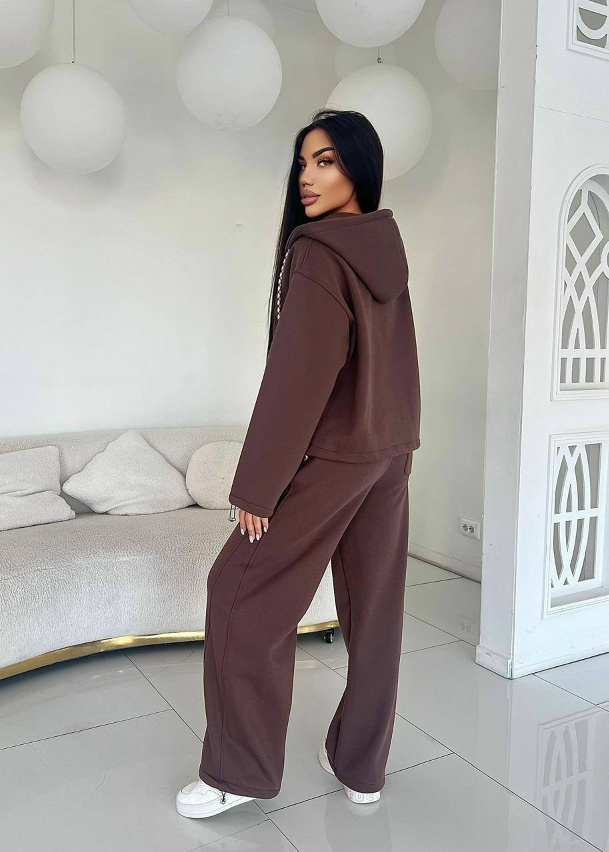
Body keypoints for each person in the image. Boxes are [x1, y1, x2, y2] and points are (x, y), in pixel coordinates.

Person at [176, 108, 421, 818]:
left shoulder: (319, 253)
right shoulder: (384, 245)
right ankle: (362, 768)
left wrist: (259, 485)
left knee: (238, 592)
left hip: (336, 456)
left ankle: (238, 772)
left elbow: (298, 378)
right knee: (375, 614)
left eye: (327, 161)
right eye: (304, 162)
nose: (308, 177)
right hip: (390, 451)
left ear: (359, 168)